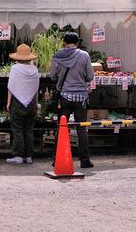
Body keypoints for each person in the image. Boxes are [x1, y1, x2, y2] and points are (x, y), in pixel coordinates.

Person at [49, 31, 95, 169]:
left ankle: (57, 159)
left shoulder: (58, 56)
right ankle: (85, 160)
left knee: (62, 128)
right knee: (81, 128)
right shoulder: (84, 55)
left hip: (64, 97)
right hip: (80, 97)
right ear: (78, 43)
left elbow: (53, 76)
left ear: (64, 42)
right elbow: (90, 77)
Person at [5, 44, 40, 165]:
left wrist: (8, 102)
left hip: (17, 102)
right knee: (29, 129)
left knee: (18, 129)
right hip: (31, 103)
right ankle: (29, 156)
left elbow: (11, 86)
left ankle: (18, 156)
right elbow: (36, 88)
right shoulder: (34, 69)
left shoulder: (15, 68)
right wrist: (36, 103)